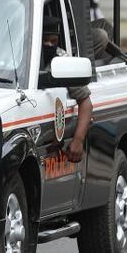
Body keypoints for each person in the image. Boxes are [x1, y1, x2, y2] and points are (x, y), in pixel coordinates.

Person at [40, 17, 93, 163]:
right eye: (45, 41)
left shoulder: (61, 59)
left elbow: (86, 103)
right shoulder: (17, 56)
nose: (50, 45)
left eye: (53, 41)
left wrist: (78, 140)